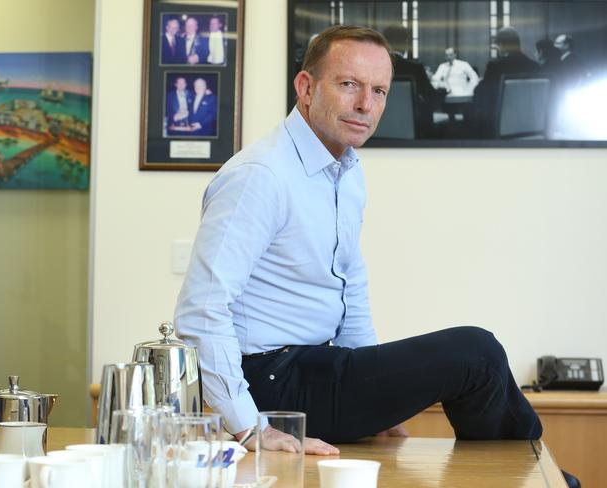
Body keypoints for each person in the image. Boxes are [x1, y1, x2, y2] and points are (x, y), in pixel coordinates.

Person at [174, 24, 543, 458]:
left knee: (479, 358)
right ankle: (537, 481)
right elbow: (201, 311)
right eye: (349, 85)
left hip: (315, 365)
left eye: (380, 91)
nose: (366, 104)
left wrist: (375, 392)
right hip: (267, 382)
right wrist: (249, 427)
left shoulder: (346, 171)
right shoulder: (261, 176)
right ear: (305, 87)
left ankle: (534, 479)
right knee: (476, 352)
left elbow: (351, 284)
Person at [471, 26, 538, 137]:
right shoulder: (534, 66)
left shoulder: (495, 66)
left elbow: (481, 93)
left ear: (502, 45)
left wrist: (480, 84)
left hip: (503, 123)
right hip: (530, 122)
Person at [382, 24, 440, 137]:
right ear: (405, 43)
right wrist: (442, 92)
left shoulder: (372, 68)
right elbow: (432, 99)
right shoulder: (415, 69)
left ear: (385, 43)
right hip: (414, 133)